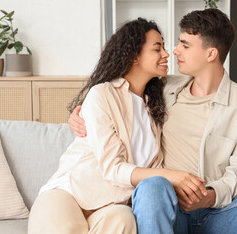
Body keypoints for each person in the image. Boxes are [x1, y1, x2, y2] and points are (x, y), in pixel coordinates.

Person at [68, 9, 237, 233]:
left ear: (211, 54)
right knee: (152, 187)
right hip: (170, 207)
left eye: (185, 45)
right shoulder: (162, 88)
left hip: (221, 212)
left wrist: (210, 196)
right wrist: (79, 114)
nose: (175, 51)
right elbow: (118, 94)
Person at [28, 18, 207, 234]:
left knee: (124, 220)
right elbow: (113, 168)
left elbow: (199, 80)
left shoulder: (157, 102)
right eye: (157, 49)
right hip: (70, 192)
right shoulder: (103, 94)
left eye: (164, 48)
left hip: (113, 206)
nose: (166, 54)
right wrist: (173, 175)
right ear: (134, 56)